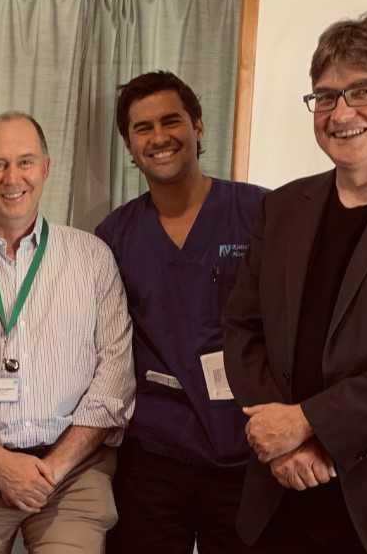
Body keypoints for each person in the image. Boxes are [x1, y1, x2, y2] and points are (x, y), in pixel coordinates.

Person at [224, 10, 367, 553]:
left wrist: (311, 425)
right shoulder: (282, 207)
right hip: (280, 494)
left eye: (365, 90)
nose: (341, 112)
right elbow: (242, 326)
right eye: (326, 96)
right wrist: (280, 442)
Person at [0, 111, 134, 553]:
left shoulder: (92, 259)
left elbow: (115, 380)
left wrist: (54, 467)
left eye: (26, 162)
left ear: (47, 168)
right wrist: (0, 465)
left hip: (72, 478)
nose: (13, 177)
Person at [96, 71, 265, 554]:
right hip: (154, 450)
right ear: (129, 146)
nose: (159, 137)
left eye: (171, 121)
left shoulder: (260, 213)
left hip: (247, 445)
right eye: (142, 128)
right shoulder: (115, 236)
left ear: (198, 126)